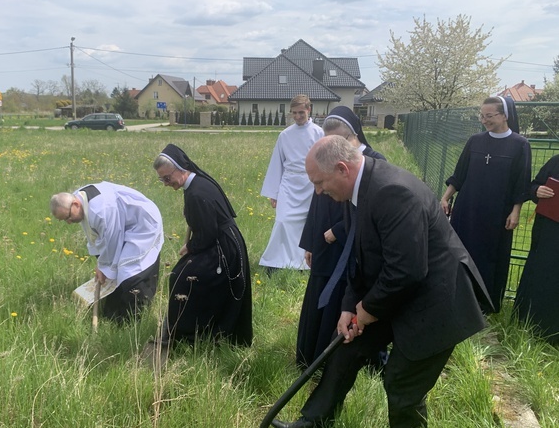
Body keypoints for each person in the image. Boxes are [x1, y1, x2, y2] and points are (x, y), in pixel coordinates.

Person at [271, 135, 490, 428]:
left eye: (319, 183)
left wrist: (368, 310)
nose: (318, 191)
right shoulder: (355, 192)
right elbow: (361, 258)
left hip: (438, 301)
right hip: (400, 290)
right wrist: (349, 308)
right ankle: (316, 420)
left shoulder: (393, 193)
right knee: (345, 347)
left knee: (402, 384)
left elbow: (408, 270)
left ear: (342, 169)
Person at [296, 106, 386, 368]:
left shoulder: (373, 161)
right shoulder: (327, 164)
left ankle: (345, 359)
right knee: (321, 292)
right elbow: (317, 203)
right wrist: (312, 242)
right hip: (325, 243)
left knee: (347, 295)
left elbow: (372, 210)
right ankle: (312, 356)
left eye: (338, 140)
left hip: (354, 245)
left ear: (352, 136)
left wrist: (338, 231)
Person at [152, 143, 253, 347]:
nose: (165, 183)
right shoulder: (195, 184)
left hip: (222, 249)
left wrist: (189, 248)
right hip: (220, 242)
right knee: (182, 274)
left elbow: (208, 234)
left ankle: (189, 335)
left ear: (180, 169)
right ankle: (192, 331)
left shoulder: (197, 193)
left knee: (182, 279)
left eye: (167, 178)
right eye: (162, 179)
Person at [441, 96, 531, 313]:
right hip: (468, 209)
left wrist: (515, 211)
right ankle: (457, 297)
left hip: (497, 213)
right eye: (482, 115)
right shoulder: (475, 141)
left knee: (490, 257)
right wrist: (445, 197)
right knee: (461, 252)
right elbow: (459, 174)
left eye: (489, 116)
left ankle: (485, 304)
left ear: (504, 115)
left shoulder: (520, 145)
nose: (484, 120)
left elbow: (522, 183)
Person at [50, 182, 164, 323]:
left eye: (68, 217)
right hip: (123, 225)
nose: (68, 222)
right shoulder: (80, 199)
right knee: (113, 274)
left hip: (142, 224)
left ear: (75, 204)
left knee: (130, 272)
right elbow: (94, 234)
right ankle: (113, 316)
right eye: (64, 220)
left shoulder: (101, 210)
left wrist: (103, 266)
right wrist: (101, 263)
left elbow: (112, 240)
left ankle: (132, 319)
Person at [260, 94, 324, 273]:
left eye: (301, 113)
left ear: (309, 110)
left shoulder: (319, 133)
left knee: (306, 224)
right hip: (289, 184)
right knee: (282, 221)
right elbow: (276, 163)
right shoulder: (285, 135)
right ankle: (276, 261)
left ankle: (303, 262)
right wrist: (274, 192)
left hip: (310, 184)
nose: (297, 117)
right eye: (294, 113)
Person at [514, 154, 559, 344]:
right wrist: (537, 191)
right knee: (541, 273)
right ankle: (533, 323)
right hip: (548, 232)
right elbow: (533, 186)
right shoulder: (556, 161)